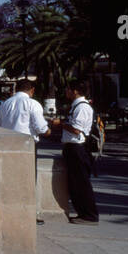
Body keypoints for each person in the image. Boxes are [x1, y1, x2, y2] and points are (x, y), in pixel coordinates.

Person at [0, 79, 51, 222]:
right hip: (27, 145)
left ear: (16, 88)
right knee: (28, 180)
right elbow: (41, 128)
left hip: (7, 145)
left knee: (9, 180)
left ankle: (9, 213)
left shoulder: (5, 104)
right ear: (32, 90)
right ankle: (28, 214)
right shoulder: (33, 104)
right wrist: (49, 130)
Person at [52, 79, 99, 224]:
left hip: (78, 148)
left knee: (81, 183)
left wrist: (60, 124)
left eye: (68, 89)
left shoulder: (82, 108)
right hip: (72, 148)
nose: (66, 92)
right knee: (75, 183)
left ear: (75, 91)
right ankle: (82, 214)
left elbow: (76, 129)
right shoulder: (76, 106)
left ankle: (90, 216)